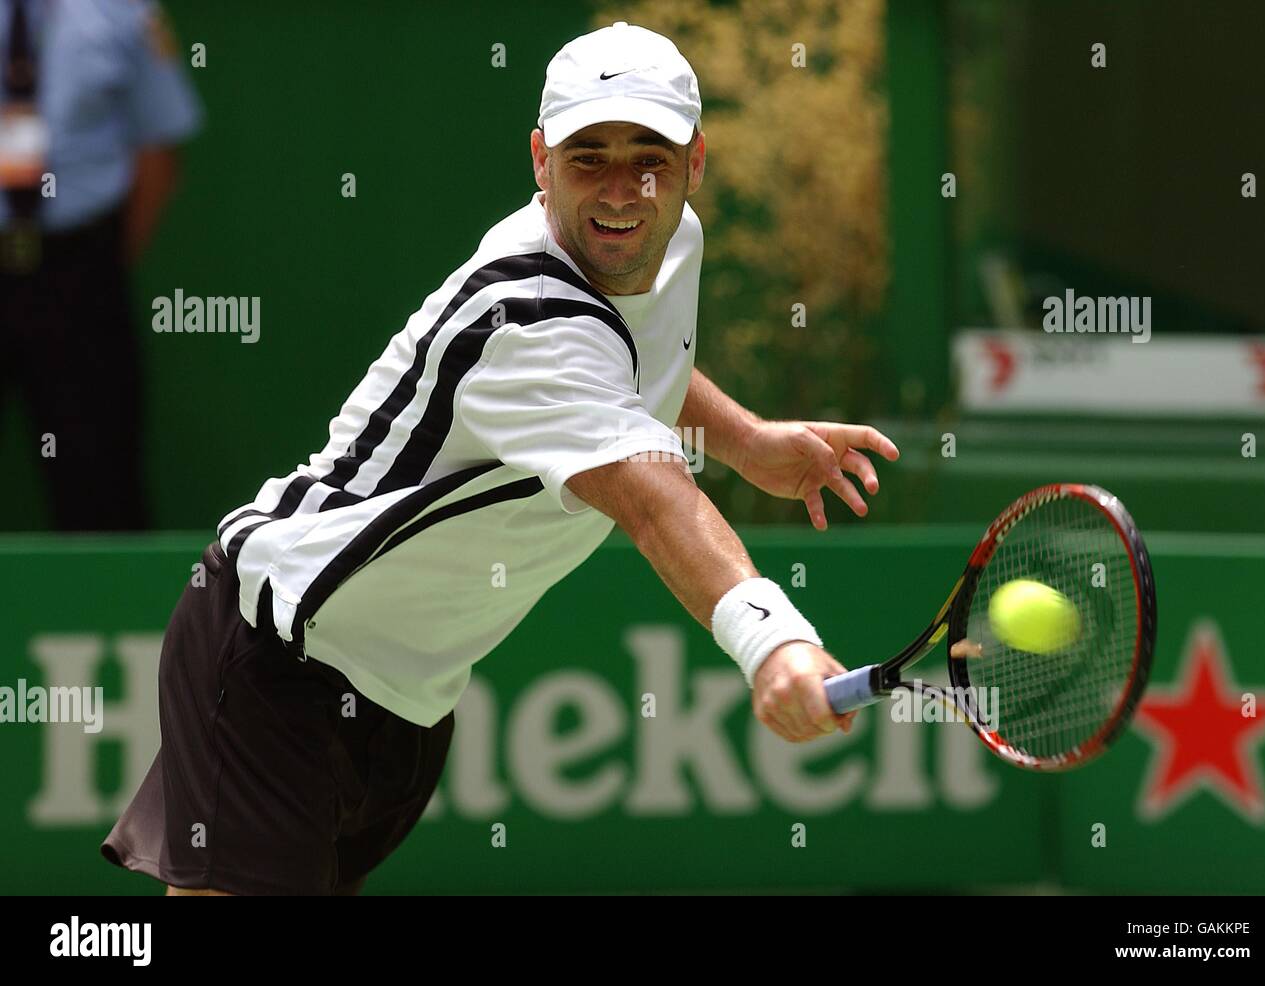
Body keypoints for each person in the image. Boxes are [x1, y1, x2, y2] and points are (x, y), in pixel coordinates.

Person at [101, 21, 899, 896]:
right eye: (587, 156)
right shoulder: (525, 324)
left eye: (651, 158)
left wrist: (744, 439)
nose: (622, 190)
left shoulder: (671, 243)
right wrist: (774, 641)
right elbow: (651, 499)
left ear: (695, 162)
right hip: (279, 654)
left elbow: (638, 362)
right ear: (539, 159)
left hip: (408, 698)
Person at [0, 0, 200, 530]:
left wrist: (105, 264)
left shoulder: (121, 11)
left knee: (98, 481)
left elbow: (159, 145)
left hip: (78, 272)